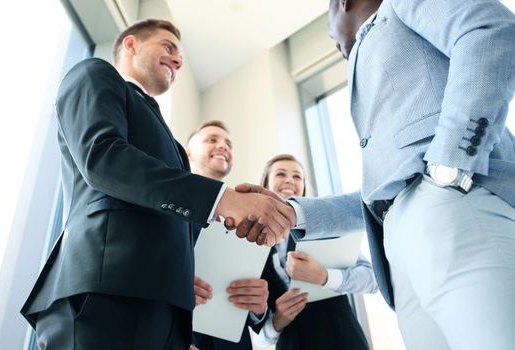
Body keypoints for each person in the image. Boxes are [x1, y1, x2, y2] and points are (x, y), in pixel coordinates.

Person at [233, 1, 515, 349]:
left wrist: (450, 167)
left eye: (328, 28)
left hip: (457, 207)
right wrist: (294, 212)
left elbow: (487, 30)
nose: (334, 43)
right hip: (400, 253)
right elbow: (377, 193)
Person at [20, 19, 294, 349]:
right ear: (131, 45)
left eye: (180, 56)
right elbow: (103, 157)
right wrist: (226, 200)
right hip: (104, 295)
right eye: (169, 47)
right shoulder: (94, 74)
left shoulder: (174, 146)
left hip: (165, 315)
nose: (178, 60)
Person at [251, 154, 377, 349]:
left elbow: (372, 279)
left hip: (343, 338)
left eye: (297, 177)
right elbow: (255, 340)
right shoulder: (251, 245)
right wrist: (277, 321)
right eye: (280, 174)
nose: (289, 180)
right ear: (265, 185)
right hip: (293, 343)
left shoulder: (327, 227)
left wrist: (325, 277)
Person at [186, 120, 269, 350]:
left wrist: (259, 307)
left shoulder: (249, 222)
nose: (223, 146)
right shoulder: (166, 208)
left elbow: (261, 308)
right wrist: (173, 288)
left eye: (228, 144)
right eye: (212, 140)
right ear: (188, 152)